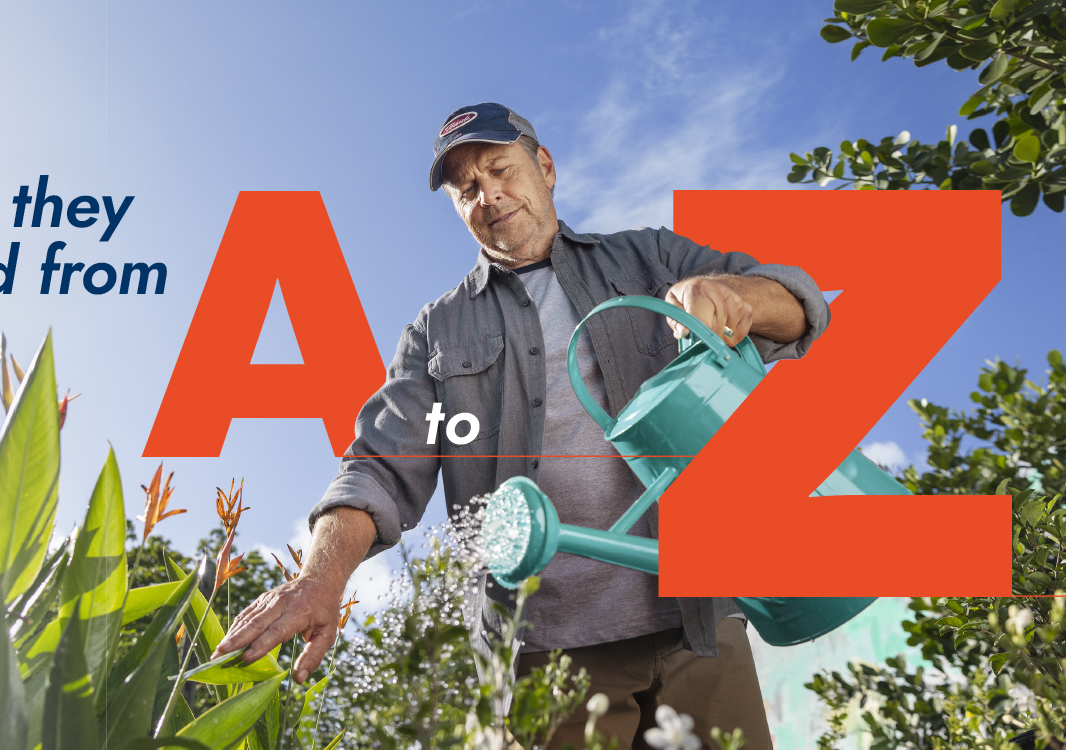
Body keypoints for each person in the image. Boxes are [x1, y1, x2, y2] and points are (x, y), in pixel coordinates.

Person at [207, 103, 830, 749]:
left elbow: (797, 305)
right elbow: (380, 466)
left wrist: (738, 297)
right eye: (466, 188)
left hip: (701, 623)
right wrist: (320, 579)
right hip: (543, 649)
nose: (489, 195)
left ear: (546, 167)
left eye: (500, 169)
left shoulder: (648, 257)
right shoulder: (437, 331)